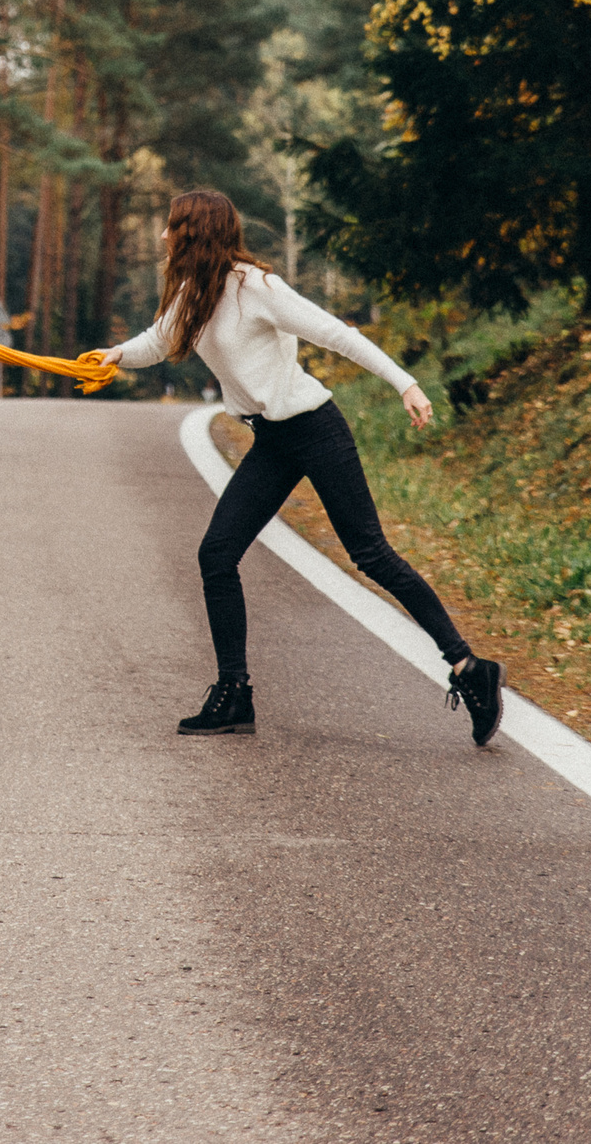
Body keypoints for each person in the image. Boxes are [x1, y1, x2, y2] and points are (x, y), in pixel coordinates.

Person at [85, 189, 506, 745]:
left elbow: (337, 334)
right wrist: (115, 354)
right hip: (273, 440)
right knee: (217, 554)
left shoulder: (255, 287)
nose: (164, 237)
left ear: (193, 233)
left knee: (371, 554)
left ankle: (468, 667)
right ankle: (234, 692)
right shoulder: (193, 292)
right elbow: (158, 342)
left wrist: (405, 382)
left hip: (314, 428)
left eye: (171, 227)